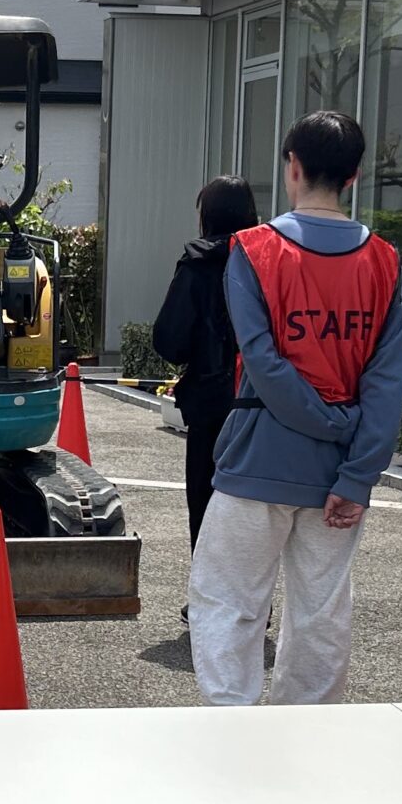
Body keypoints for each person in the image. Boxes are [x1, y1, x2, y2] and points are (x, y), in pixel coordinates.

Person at [187, 112, 402, 705]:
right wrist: (359, 470)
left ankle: (232, 723)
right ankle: (308, 731)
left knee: (228, 601)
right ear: (354, 176)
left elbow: (263, 362)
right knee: (322, 612)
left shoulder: (253, 250)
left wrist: (322, 421)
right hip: (339, 473)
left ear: (292, 166)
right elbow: (387, 382)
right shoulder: (386, 263)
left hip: (258, 456)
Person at [149, 175, 260, 549]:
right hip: (264, 404)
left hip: (211, 405)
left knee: (207, 508)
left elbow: (169, 341)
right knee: (255, 515)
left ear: (207, 215)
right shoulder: (269, 262)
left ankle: (210, 585)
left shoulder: (198, 264)